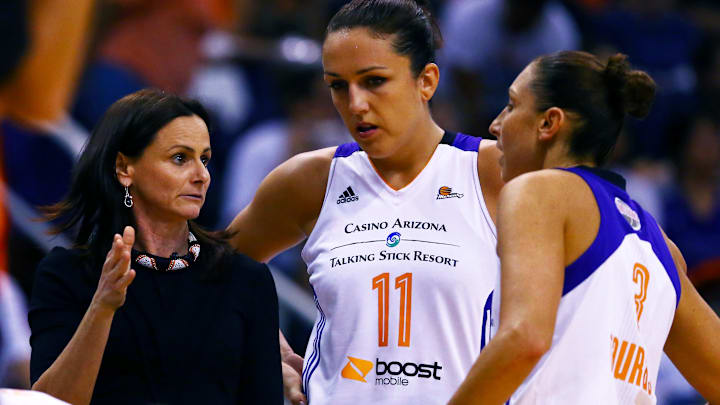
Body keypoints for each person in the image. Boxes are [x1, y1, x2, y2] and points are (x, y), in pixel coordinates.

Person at [227, 0, 504, 404]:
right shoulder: (310, 180)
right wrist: (273, 352)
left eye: (373, 81)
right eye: (338, 85)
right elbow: (218, 269)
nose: (355, 104)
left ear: (426, 81)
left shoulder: (495, 171)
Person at [449, 51, 720, 404]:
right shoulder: (662, 247)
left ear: (549, 123)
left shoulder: (538, 192)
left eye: (512, 105)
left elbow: (524, 339)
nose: (496, 125)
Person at [28, 89, 283, 405]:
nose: (202, 175)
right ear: (124, 168)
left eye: (204, 159)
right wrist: (102, 307)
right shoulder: (67, 274)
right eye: (180, 158)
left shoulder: (245, 279)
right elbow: (51, 402)